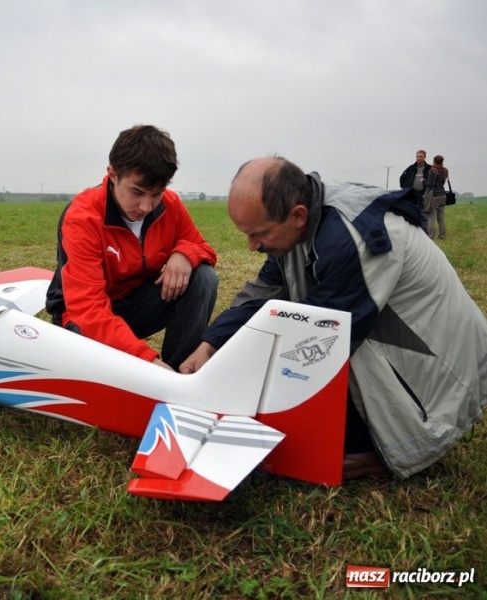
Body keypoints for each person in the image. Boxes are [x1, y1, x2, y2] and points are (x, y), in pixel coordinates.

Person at [189, 156, 487, 480]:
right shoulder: (301, 222)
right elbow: (263, 293)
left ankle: (388, 450)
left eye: (258, 233)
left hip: (437, 371)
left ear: (298, 215)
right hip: (383, 340)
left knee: (300, 431)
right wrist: (210, 344)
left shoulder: (351, 238)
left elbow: (316, 341)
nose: (251, 246)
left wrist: (231, 380)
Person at [45, 124, 218, 373]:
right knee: (103, 373)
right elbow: (87, 309)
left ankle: (179, 375)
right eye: (137, 192)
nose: (146, 206)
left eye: (156, 194)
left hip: (135, 304)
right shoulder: (83, 217)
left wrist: (185, 253)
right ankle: (155, 375)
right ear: (113, 174)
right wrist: (146, 360)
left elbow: (203, 248)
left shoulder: (170, 204)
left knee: (202, 277)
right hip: (82, 318)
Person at [423, 154, 449, 239]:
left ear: (434, 161)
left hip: (434, 196)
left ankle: (430, 235)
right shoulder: (445, 170)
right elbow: (442, 183)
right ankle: (442, 235)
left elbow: (430, 184)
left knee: (431, 216)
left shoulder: (432, 171)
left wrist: (424, 181)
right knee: (441, 217)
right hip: (443, 196)